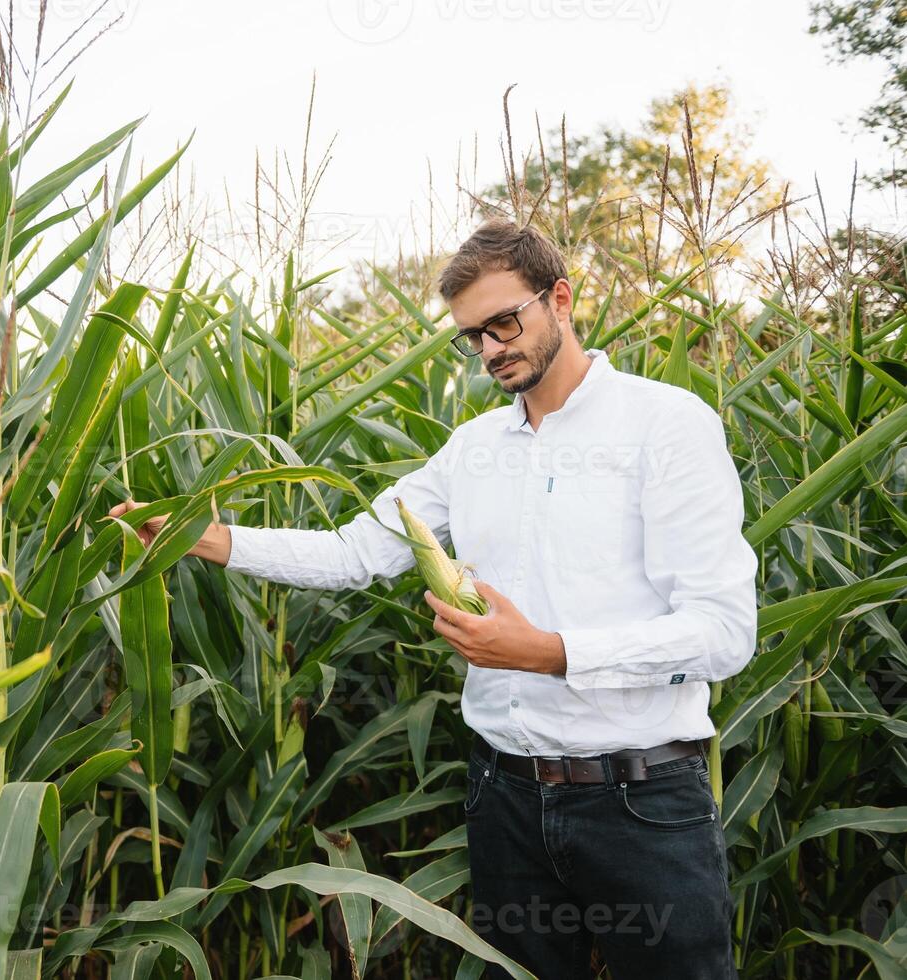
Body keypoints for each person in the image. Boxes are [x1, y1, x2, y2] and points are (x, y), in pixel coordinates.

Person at [105, 218, 757, 979]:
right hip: (506, 800)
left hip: (641, 805)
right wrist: (207, 539)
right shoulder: (472, 451)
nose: (489, 349)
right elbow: (356, 551)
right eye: (472, 336)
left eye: (504, 322)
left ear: (562, 299)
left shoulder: (666, 426)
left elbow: (722, 633)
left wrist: (549, 654)